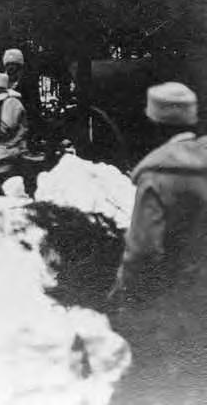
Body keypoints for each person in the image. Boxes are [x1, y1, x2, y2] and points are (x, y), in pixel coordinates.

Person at [107, 82, 207, 405]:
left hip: (173, 307)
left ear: (154, 124)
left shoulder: (157, 173)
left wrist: (125, 293)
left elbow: (143, 250)